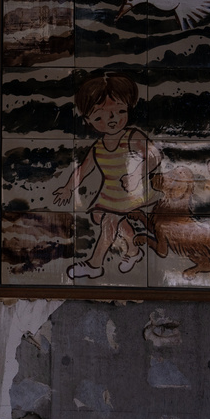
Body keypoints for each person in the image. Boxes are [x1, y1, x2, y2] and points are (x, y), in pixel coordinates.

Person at [53, 72, 159, 280]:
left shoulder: (133, 136)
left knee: (109, 221)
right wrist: (68, 188)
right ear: (88, 120)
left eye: (120, 111)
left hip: (132, 192)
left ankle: (95, 264)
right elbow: (83, 170)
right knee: (100, 216)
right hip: (111, 194)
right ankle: (133, 250)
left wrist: (136, 174)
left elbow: (155, 156)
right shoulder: (99, 146)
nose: (113, 120)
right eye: (100, 116)